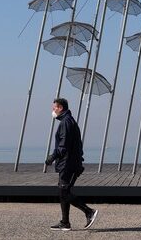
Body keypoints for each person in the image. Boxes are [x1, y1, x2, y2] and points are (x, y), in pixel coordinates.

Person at [45, 98, 98, 231]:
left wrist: (51, 158)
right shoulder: (69, 121)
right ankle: (65, 222)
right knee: (64, 191)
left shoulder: (66, 122)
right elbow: (77, 144)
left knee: (64, 192)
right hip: (70, 163)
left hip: (67, 164)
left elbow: (63, 146)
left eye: (54, 108)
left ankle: (89, 212)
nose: (53, 110)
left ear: (60, 108)